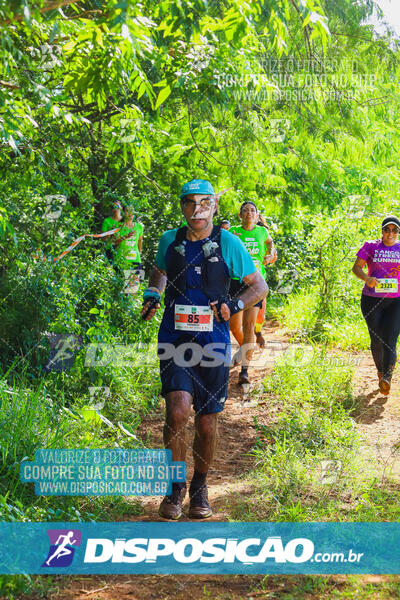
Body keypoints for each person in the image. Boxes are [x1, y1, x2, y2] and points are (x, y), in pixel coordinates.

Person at [141, 179, 268, 520]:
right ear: (182, 207)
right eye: (189, 202)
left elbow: (259, 286)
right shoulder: (170, 240)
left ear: (213, 207)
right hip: (175, 337)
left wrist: (234, 304)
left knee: (207, 423)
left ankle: (199, 485)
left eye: (204, 202)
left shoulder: (229, 243)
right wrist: (154, 294)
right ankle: (174, 487)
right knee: (178, 411)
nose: (196, 209)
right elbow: (159, 272)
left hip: (212, 341)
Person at [229, 201, 276, 384]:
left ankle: (245, 371)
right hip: (236, 282)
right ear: (240, 215)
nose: (249, 213)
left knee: (249, 326)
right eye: (245, 210)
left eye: (252, 210)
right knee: (234, 326)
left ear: (257, 215)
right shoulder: (233, 232)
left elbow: (270, 242)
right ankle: (244, 349)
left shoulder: (262, 232)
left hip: (255, 282)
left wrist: (270, 253)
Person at [352, 215, 400, 395]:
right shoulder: (370, 246)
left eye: (395, 230)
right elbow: (356, 267)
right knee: (377, 339)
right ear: (382, 231)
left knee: (391, 338)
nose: (390, 233)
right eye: (387, 229)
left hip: (396, 301)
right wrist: (366, 278)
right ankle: (380, 373)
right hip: (371, 300)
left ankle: (388, 377)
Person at [254, 215, 277, 348]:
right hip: (240, 278)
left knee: (261, 315)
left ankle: (257, 332)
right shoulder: (239, 233)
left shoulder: (262, 232)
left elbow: (273, 256)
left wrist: (268, 258)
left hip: (259, 278)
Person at [113, 206, 144, 292]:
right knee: (120, 290)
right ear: (123, 213)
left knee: (133, 290)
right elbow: (114, 242)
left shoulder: (139, 227)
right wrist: (126, 236)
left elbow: (140, 241)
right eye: (127, 211)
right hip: (121, 261)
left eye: (132, 211)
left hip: (135, 260)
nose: (130, 213)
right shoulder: (119, 226)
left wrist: (138, 254)